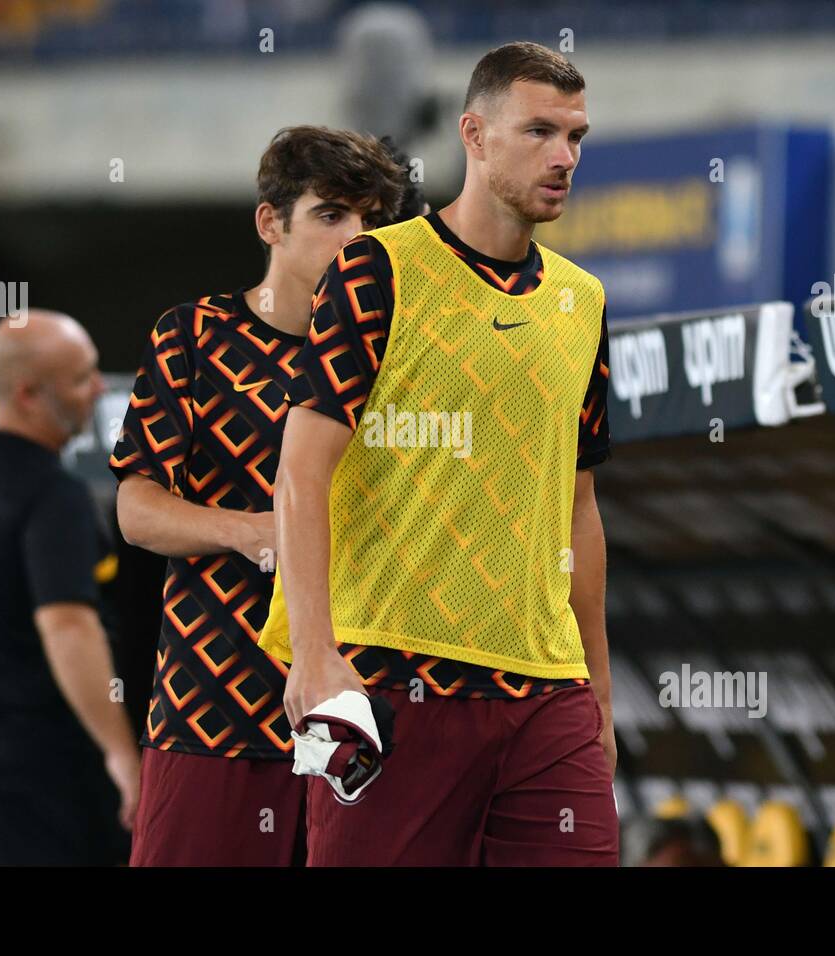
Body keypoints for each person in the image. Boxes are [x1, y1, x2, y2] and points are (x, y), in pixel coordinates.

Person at [260, 41, 618, 865]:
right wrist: (313, 652)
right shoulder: (376, 270)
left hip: (546, 694)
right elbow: (302, 470)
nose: (564, 156)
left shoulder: (583, 301)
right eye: (540, 132)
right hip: (390, 682)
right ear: (475, 135)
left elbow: (579, 507)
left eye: (577, 137)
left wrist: (597, 687)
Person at [110, 126, 408, 866]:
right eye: (333, 216)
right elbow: (136, 511)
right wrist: (250, 531)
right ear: (270, 223)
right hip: (213, 711)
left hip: (363, 717)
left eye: (373, 221)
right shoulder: (192, 338)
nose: (357, 240)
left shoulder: (402, 355)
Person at [0, 309, 137, 866]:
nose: (97, 389)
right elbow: (68, 625)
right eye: (79, 379)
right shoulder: (55, 496)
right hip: (46, 776)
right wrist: (120, 753)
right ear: (27, 393)